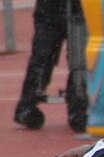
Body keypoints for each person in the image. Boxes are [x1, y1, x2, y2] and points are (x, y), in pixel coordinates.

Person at [14, 0, 87, 132]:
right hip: (54, 8)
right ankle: (27, 105)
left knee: (78, 60)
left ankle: (78, 105)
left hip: (75, 8)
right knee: (43, 56)